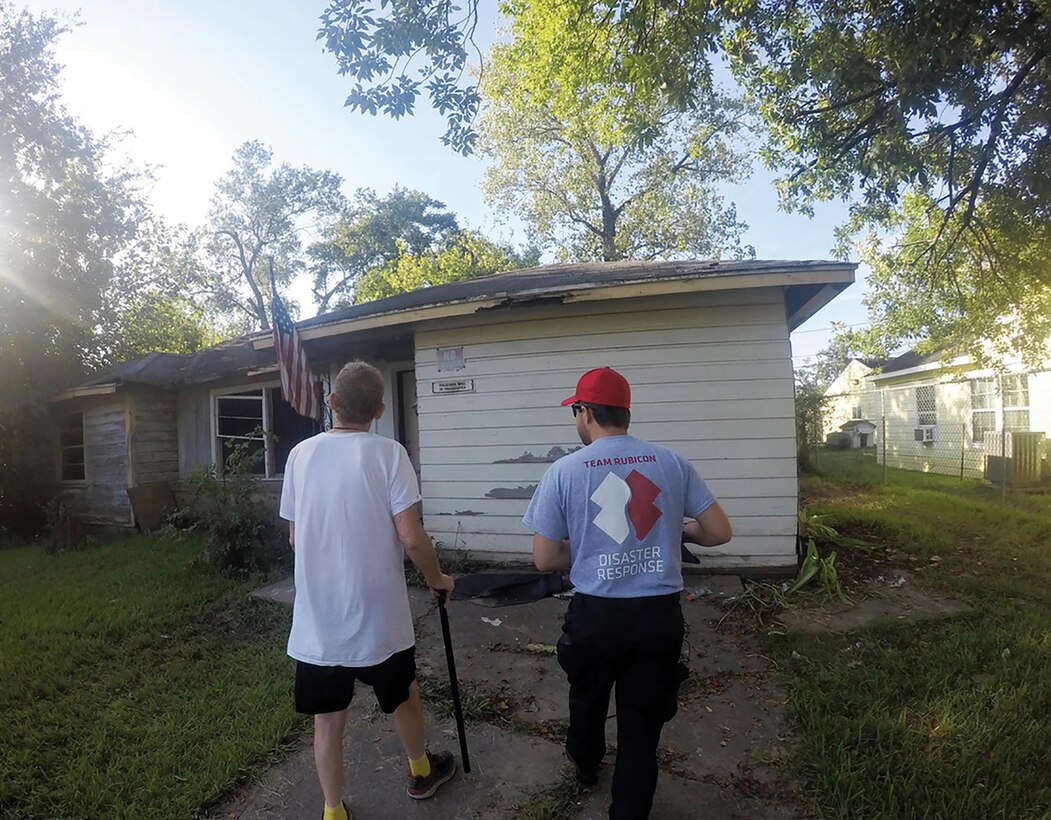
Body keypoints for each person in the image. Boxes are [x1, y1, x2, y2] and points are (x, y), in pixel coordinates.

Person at [523, 366, 733, 820]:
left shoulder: (564, 471)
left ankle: (585, 762)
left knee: (588, 698)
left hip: (596, 617)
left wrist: (588, 550)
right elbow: (718, 532)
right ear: (625, 413)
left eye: (574, 412)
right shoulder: (671, 462)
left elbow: (544, 559)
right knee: (642, 728)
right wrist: (678, 534)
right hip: (657, 618)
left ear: (584, 413)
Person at [279, 360, 458, 820]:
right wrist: (437, 579)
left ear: (332, 402)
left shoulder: (300, 455)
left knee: (327, 721)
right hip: (380, 618)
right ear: (378, 410)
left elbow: (296, 537)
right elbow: (412, 536)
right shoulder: (389, 454)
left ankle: (333, 811)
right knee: (403, 695)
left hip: (320, 621)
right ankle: (421, 770)